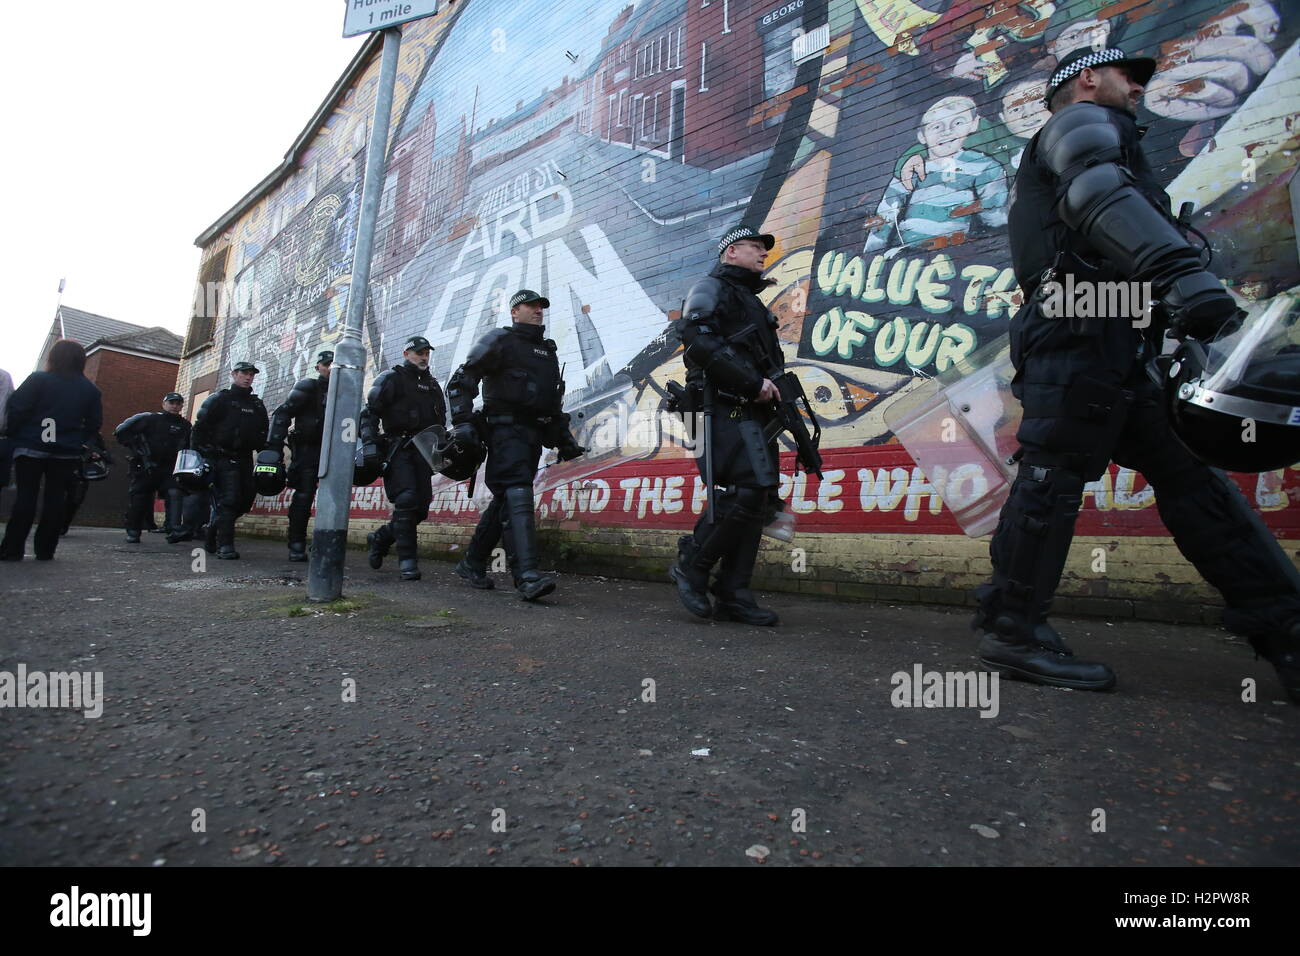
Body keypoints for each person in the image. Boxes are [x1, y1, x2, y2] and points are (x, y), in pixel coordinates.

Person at [976, 46, 1300, 701]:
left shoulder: (1104, 136)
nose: (1138, 88)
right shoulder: (1080, 124)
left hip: (1118, 342)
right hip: (1076, 337)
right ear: (1086, 79)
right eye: (1130, 76)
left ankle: (1284, 626)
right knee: (1051, 480)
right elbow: (1096, 192)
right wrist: (1182, 276)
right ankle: (1013, 632)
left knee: (1196, 485)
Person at [669, 228, 786, 625]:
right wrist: (751, 383)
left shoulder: (750, 301)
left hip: (754, 410)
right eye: (757, 248)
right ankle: (694, 562)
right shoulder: (711, 287)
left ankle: (734, 593)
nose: (763, 255)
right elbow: (697, 339)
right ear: (732, 251)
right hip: (719, 406)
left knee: (761, 495)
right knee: (744, 489)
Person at [446, 291, 584, 600]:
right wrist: (464, 422)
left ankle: (472, 562)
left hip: (532, 436)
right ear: (514, 311)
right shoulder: (500, 340)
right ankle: (527, 576)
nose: (538, 311)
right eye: (531, 306)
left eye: (541, 307)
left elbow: (550, 403)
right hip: (504, 431)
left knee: (506, 500)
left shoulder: (546, 351)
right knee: (518, 491)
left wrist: (565, 440)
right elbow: (461, 381)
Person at [0, 339, 103, 561]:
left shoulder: (39, 379)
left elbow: (17, 408)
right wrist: (79, 442)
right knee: (56, 498)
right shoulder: (90, 390)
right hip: (66, 451)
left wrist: (16, 434)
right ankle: (45, 550)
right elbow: (94, 423)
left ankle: (12, 549)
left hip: (31, 445)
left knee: (26, 496)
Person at [359, 336, 446, 581]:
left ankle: (381, 538)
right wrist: (369, 443)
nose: (423, 356)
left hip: (424, 451)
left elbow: (440, 420)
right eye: (418, 352)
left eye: (427, 352)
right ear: (406, 353)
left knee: (420, 510)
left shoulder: (432, 385)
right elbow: (369, 414)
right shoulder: (391, 378)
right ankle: (407, 561)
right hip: (398, 449)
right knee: (406, 500)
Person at [191, 362, 268, 560]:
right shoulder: (219, 399)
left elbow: (262, 434)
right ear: (233, 374)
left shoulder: (256, 405)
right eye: (244, 373)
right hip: (221, 458)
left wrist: (270, 455)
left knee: (245, 501)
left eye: (251, 374)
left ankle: (212, 530)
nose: (248, 377)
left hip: (245, 458)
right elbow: (199, 429)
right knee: (229, 500)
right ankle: (225, 545)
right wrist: (204, 455)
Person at [265, 350, 332, 561]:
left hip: (334, 452)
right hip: (308, 449)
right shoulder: (308, 387)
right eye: (327, 363)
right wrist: (273, 448)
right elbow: (283, 413)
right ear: (318, 367)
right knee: (304, 495)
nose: (331, 367)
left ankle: (324, 542)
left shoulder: (347, 390)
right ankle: (296, 543)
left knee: (333, 499)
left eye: (335, 364)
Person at [115, 393, 191, 544]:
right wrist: (137, 450)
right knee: (140, 498)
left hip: (170, 468)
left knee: (175, 493)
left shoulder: (185, 425)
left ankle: (174, 528)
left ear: (182, 406)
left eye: (178, 403)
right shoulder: (150, 419)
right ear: (164, 404)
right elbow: (121, 431)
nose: (175, 406)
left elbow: (190, 445)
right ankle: (133, 530)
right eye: (172, 402)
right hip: (147, 465)